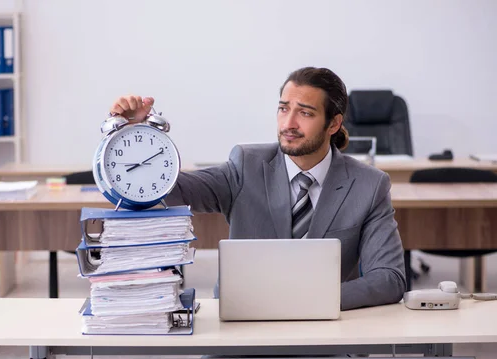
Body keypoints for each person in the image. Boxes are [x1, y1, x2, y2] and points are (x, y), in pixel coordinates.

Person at [109, 66, 406, 311]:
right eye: (283, 109)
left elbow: (389, 278)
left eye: (305, 113)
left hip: (328, 333)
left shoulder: (369, 185)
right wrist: (134, 134)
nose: (288, 123)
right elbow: (173, 190)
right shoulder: (246, 165)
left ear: (333, 124)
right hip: (243, 329)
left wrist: (308, 302)